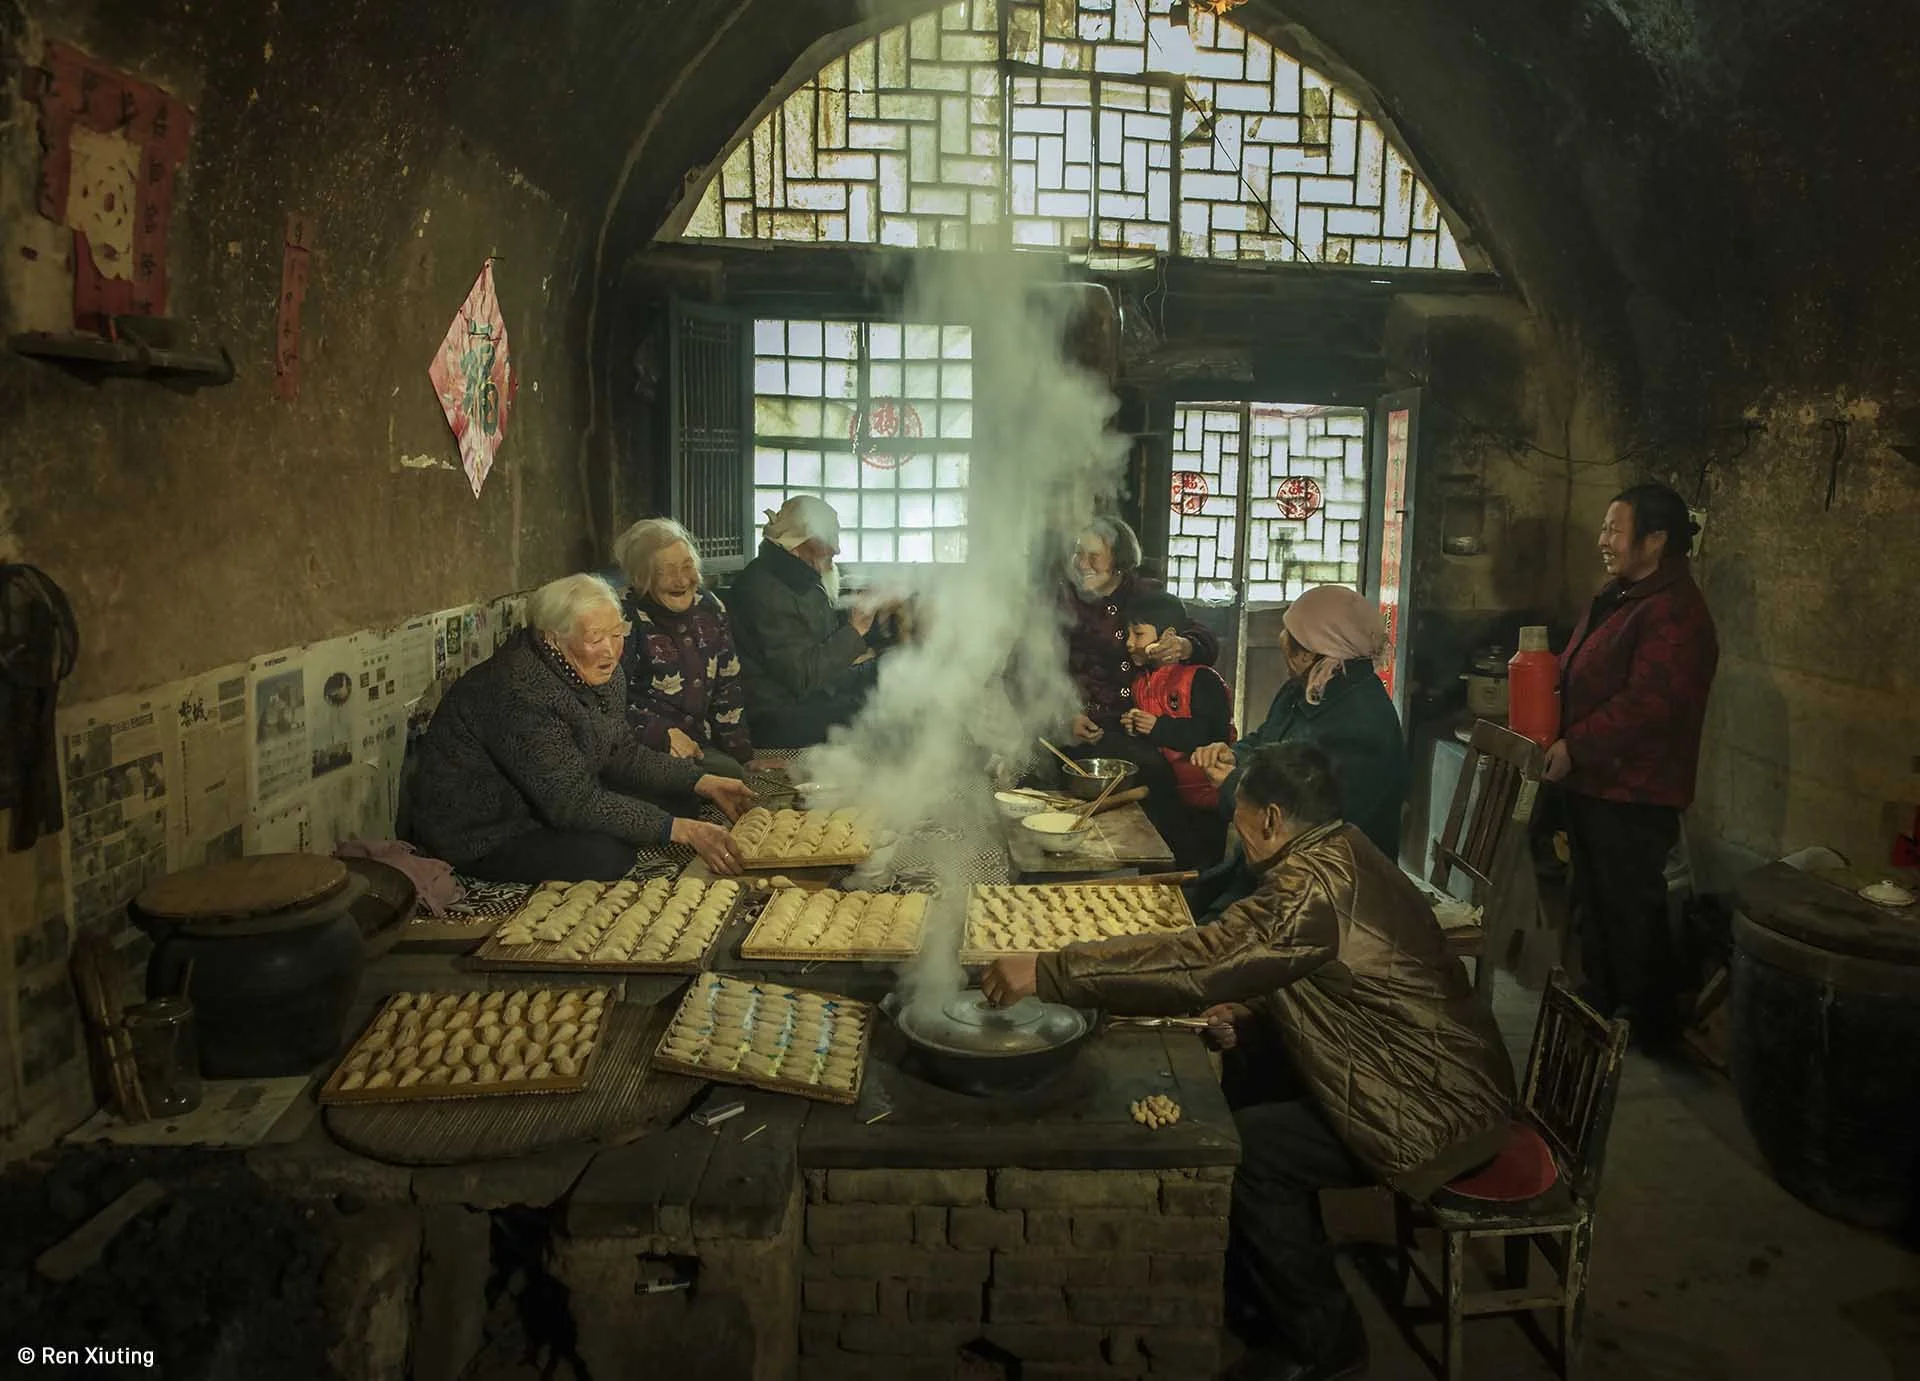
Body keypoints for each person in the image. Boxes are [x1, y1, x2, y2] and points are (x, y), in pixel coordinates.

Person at [982, 744, 1514, 1381]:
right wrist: (1255, 1012)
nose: (1235, 825)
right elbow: (1328, 975)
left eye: (1240, 812)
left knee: (1256, 1152)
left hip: (1429, 1108)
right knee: (1247, 1094)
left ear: (1271, 818)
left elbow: (1204, 960)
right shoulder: (1343, 849)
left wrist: (1050, 970)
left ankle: (1325, 1342)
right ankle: (1261, 1290)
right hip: (1432, 1075)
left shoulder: (1311, 886)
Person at [406, 574, 755, 882]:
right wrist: (681, 832)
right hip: (489, 829)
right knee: (606, 856)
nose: (610, 650)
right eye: (595, 638)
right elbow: (571, 802)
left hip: (549, 799)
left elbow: (622, 753)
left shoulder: (602, 673)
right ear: (553, 638)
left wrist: (702, 782)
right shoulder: (516, 690)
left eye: (617, 634)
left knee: (680, 797)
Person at [1546, 482, 1717, 1051]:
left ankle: (1648, 1028)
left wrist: (1576, 745)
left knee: (1630, 907)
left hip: (1633, 790)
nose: (1603, 542)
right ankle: (1606, 1005)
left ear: (1656, 541)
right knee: (1597, 901)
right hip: (1595, 781)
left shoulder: (1675, 614)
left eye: (1614, 532)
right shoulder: (1624, 597)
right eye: (1605, 529)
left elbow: (1648, 706)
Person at [1186, 583, 1407, 924]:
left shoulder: (1361, 725)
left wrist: (1232, 784)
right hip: (1282, 864)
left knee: (1211, 932)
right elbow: (1266, 740)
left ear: (1308, 653)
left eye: (1289, 634)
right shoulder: (1308, 688)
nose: (1281, 640)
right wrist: (1233, 755)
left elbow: (1302, 823)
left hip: (1332, 881)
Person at [727, 497, 891, 749]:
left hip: (818, 692)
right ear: (796, 544)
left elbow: (823, 640)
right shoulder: (764, 591)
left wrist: (872, 620)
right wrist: (855, 630)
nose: (836, 549)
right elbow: (803, 677)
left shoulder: (799, 574)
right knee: (883, 710)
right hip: (778, 716)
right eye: (828, 539)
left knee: (893, 668)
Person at [1060, 516, 1219, 748]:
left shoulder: (1146, 595)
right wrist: (1065, 717)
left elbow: (1204, 638)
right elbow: (1040, 665)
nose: (1083, 565)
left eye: (1094, 556)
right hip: (1078, 728)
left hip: (1140, 730)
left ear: (1119, 561)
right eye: (1078, 553)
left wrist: (1185, 645)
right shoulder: (1064, 600)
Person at [613, 517, 753, 779]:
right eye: (667, 571)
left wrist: (742, 756)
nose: (682, 581)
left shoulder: (710, 607)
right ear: (641, 577)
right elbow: (603, 704)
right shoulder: (620, 618)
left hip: (699, 746)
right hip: (641, 749)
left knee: (734, 775)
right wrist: (658, 733)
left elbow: (728, 688)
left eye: (688, 567)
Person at [1118, 589, 1234, 869]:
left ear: (1167, 635)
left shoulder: (1200, 678)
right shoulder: (1140, 681)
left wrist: (1159, 728)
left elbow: (1213, 736)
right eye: (1127, 635)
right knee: (1162, 866)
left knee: (1198, 872)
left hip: (1205, 799)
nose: (1130, 644)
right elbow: (1154, 737)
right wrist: (1134, 725)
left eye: (1139, 634)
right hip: (1167, 796)